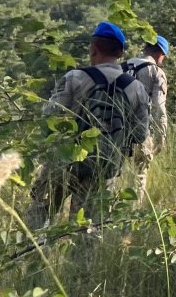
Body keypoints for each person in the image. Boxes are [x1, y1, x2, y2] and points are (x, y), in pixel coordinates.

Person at [27, 22, 150, 229]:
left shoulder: (74, 78)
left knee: (39, 219)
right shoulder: (137, 88)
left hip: (63, 163)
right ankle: (82, 261)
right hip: (105, 168)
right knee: (89, 231)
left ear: (93, 48)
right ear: (120, 53)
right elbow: (140, 134)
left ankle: (30, 256)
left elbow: (49, 119)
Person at [120, 35, 170, 199]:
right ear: (160, 53)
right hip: (140, 131)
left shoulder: (121, 68)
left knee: (114, 177)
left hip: (115, 132)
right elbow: (158, 108)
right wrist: (161, 137)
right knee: (139, 176)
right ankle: (132, 216)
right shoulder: (156, 71)